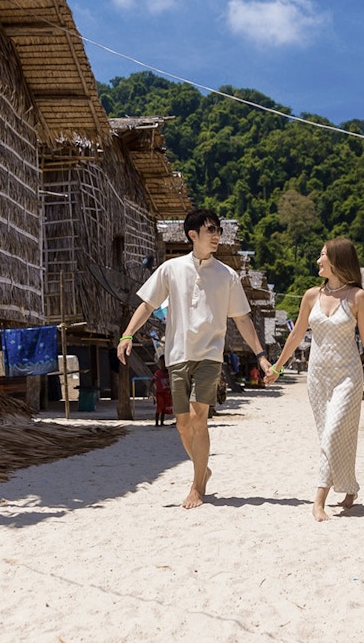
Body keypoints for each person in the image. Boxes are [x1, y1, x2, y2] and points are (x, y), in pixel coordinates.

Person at [117, 209, 273, 509]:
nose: (217, 236)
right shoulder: (170, 269)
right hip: (177, 355)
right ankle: (203, 468)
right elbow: (148, 305)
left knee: (199, 417)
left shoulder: (227, 275)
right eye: (211, 230)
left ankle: (197, 485)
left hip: (209, 356)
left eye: (219, 231)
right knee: (182, 424)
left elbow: (242, 320)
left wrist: (262, 356)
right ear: (193, 235)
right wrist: (126, 335)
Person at [264, 238, 364, 522]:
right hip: (318, 378)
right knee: (336, 436)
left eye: (322, 255)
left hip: (348, 376)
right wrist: (277, 368)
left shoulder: (357, 297)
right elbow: (296, 334)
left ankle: (318, 501)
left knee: (333, 433)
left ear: (337, 260)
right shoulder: (311, 295)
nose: (318, 261)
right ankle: (350, 488)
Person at [151, 358, 172, 427]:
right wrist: (150, 390)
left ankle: (162, 422)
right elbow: (152, 381)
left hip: (167, 393)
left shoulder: (169, 373)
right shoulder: (158, 373)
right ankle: (157, 422)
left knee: (164, 408)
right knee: (159, 406)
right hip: (160, 393)